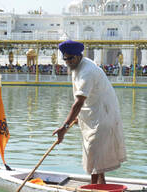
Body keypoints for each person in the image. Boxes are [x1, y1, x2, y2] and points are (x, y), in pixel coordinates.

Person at [53, 40, 126, 184]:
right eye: (65, 59)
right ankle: (95, 186)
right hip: (93, 115)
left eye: (71, 58)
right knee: (94, 159)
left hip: (103, 116)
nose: (68, 62)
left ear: (79, 56)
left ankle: (96, 186)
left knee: (94, 156)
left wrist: (64, 128)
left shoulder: (87, 71)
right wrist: (76, 119)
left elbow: (78, 103)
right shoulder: (78, 66)